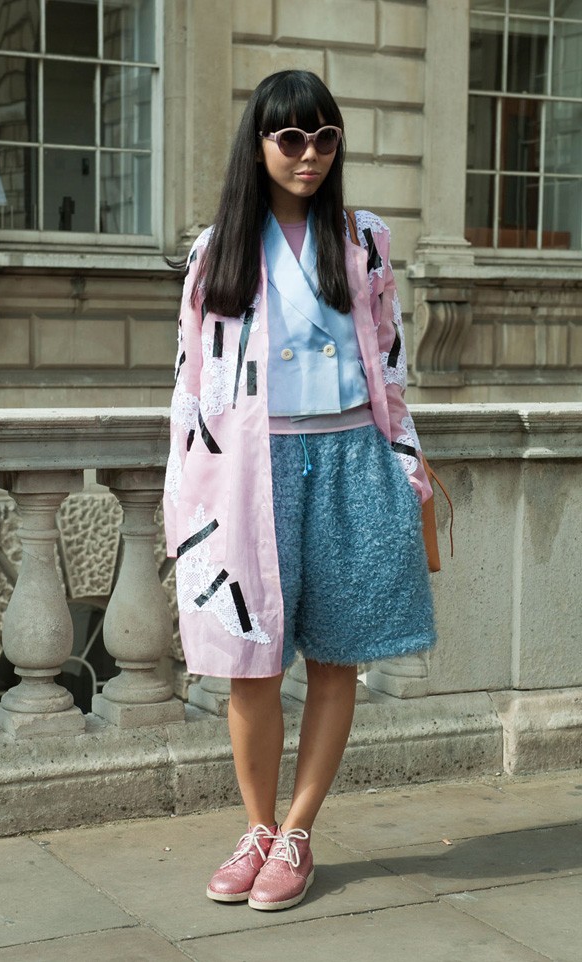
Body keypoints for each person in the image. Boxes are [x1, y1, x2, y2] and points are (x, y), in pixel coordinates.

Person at [163, 69, 436, 912]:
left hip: (352, 456)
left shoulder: (364, 238)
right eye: (290, 138)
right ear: (259, 146)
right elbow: (190, 383)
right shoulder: (217, 249)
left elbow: (390, 360)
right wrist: (186, 500)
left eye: (324, 137)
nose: (308, 154)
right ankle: (256, 827)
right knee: (249, 661)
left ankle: (298, 833)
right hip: (252, 467)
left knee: (335, 654)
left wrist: (407, 465)